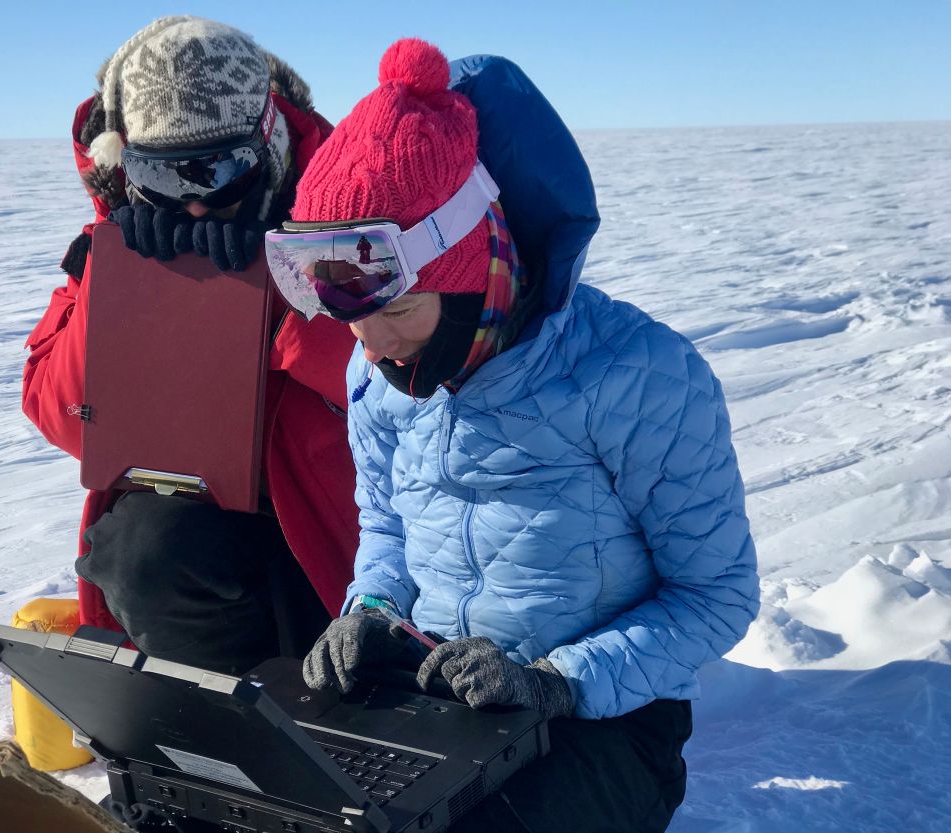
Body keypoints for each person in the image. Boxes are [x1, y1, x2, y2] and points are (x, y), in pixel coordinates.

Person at [266, 40, 761, 832]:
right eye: (352, 317)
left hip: (601, 718)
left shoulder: (640, 376)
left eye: (395, 310)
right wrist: (372, 607)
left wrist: (557, 681)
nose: (369, 345)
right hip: (442, 691)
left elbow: (716, 596)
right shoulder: (379, 376)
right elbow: (389, 527)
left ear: (469, 275)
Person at [22, 17, 360, 674]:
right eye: (167, 179)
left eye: (220, 173)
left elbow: (421, 382)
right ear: (125, 167)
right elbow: (60, 416)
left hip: (348, 541)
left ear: (269, 149)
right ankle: (226, 731)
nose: (197, 206)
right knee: (143, 544)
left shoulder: (352, 204)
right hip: (199, 551)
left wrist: (281, 300)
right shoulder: (115, 242)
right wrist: (116, 284)